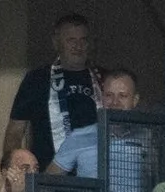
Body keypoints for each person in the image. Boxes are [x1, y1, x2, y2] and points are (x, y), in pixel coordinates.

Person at [5, 14, 101, 170]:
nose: (78, 46)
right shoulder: (37, 79)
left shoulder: (102, 79)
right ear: (56, 43)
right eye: (71, 40)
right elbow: (15, 132)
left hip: (95, 175)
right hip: (47, 175)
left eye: (83, 40)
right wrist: (13, 172)